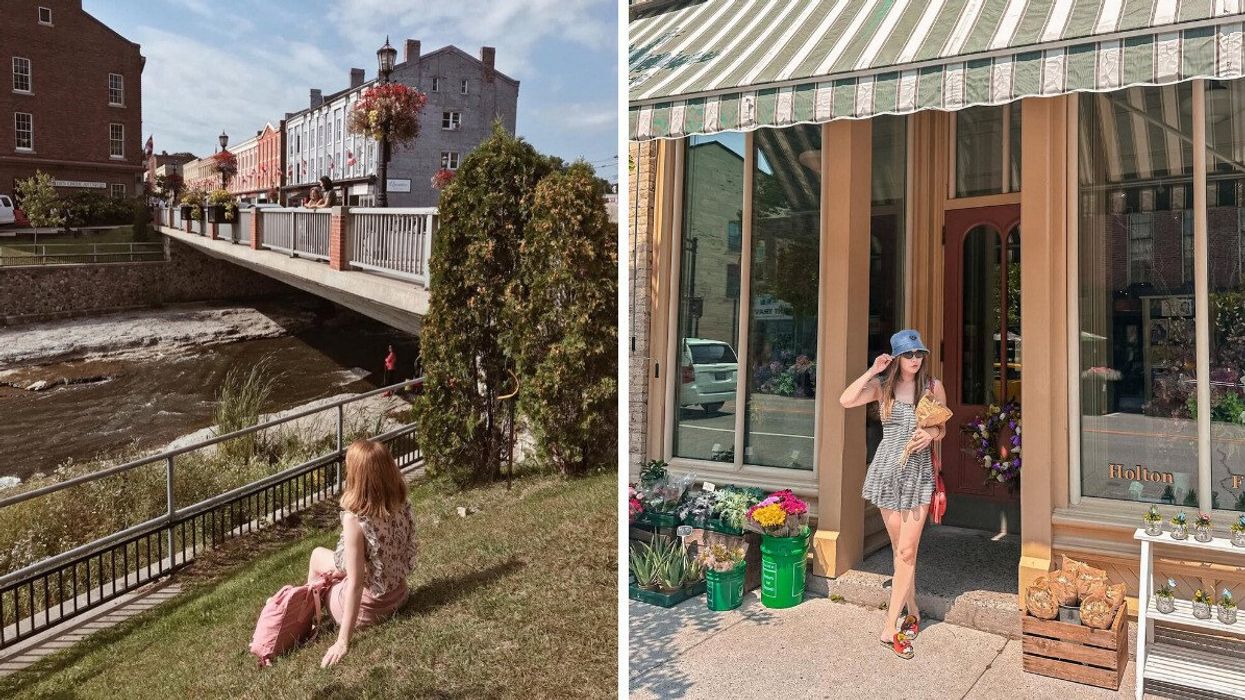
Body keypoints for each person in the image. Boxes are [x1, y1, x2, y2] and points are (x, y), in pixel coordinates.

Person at [838, 329, 946, 660]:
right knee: (901, 549)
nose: (915, 360)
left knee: (908, 550)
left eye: (919, 354)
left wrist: (930, 434)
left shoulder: (932, 387)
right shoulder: (882, 388)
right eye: (908, 355)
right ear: (897, 358)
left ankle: (890, 626)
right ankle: (913, 608)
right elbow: (845, 399)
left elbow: (942, 424)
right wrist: (873, 370)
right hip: (887, 470)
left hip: (918, 473)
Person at [307, 439, 417, 667]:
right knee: (338, 569)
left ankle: (309, 618)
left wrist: (342, 642)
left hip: (370, 611)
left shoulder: (356, 521)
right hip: (399, 595)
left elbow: (356, 585)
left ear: (356, 477)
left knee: (317, 555)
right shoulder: (400, 504)